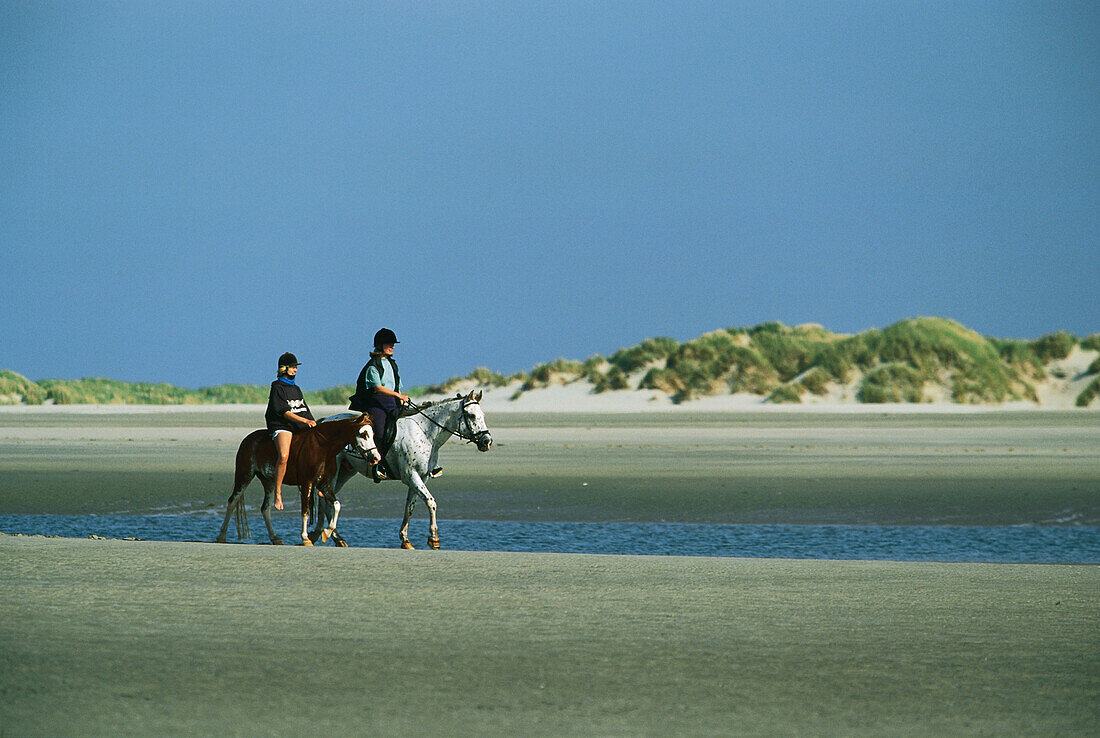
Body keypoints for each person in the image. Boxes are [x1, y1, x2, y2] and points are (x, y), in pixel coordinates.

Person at [349, 328, 410, 481]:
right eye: (390, 344)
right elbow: (377, 388)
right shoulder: (372, 366)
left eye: (393, 344)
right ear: (381, 345)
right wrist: (397, 395)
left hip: (393, 402)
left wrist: (401, 397)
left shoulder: (392, 364)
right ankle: (377, 466)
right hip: (377, 403)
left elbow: (397, 385)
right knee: (381, 432)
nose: (393, 346)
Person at [265, 352, 316, 510]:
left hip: (297, 424)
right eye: (292, 367)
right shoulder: (277, 387)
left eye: (296, 367)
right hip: (282, 424)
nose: (295, 370)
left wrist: (312, 423)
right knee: (284, 455)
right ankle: (278, 493)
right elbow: (284, 412)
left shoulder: (296, 388)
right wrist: (304, 421)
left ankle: (320, 484)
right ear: (284, 368)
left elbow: (303, 409)